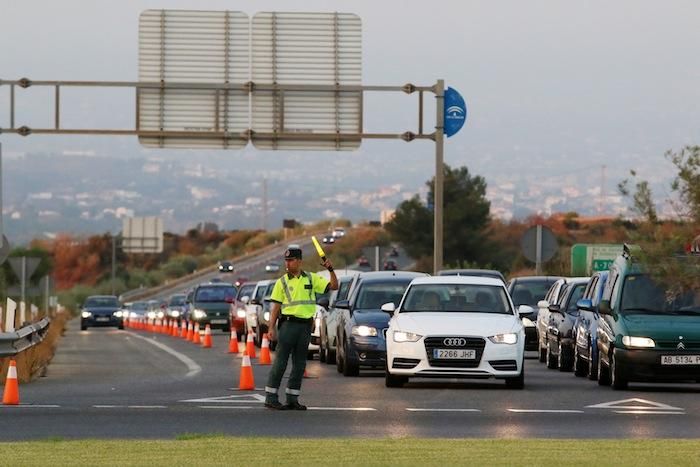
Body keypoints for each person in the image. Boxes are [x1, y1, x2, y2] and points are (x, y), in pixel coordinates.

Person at [264, 246, 338, 410]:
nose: (288, 264)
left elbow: (334, 286)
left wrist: (330, 269)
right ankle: (270, 397)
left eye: (291, 260)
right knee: (281, 362)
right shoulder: (281, 282)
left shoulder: (311, 279)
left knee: (299, 364)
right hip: (288, 325)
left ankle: (292, 398)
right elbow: (275, 307)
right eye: (286, 261)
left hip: (305, 326)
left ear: (299, 261)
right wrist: (271, 328)